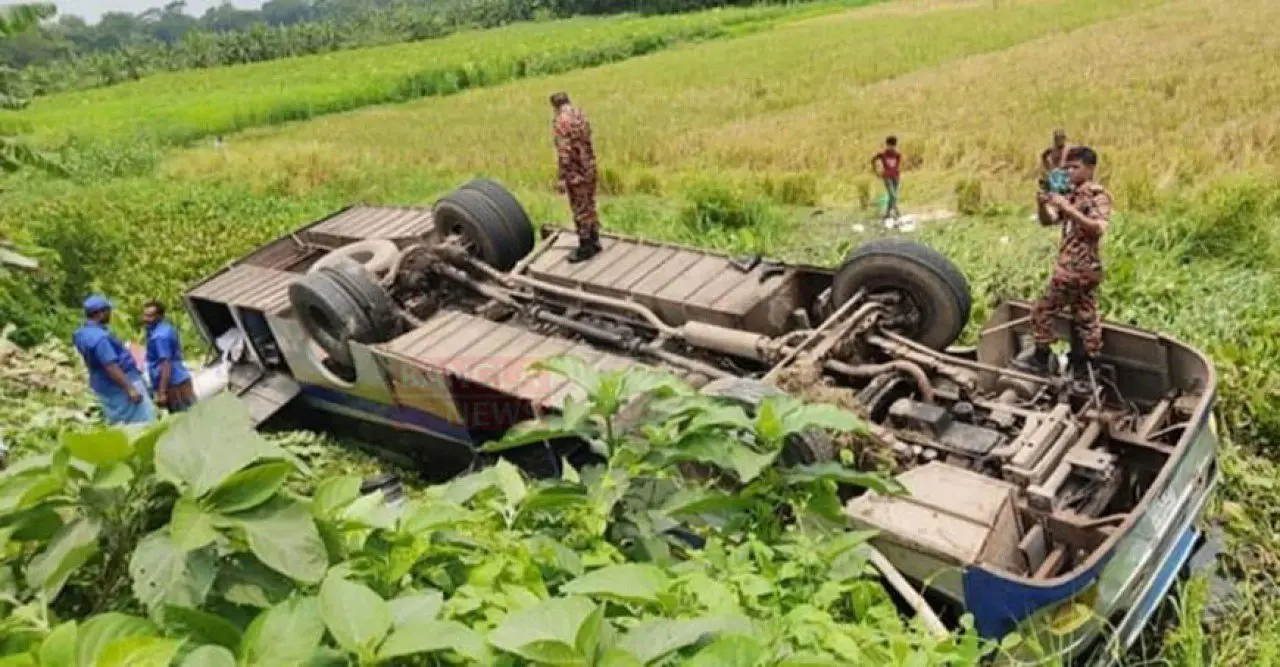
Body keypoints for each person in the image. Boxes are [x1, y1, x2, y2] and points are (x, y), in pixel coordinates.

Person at [1016, 146, 1113, 377]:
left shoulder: (1097, 196)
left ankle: (1041, 357)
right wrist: (1043, 204)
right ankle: (1089, 364)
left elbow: (1098, 228)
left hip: (1077, 268)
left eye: (1075, 167)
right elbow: (1048, 221)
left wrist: (1067, 208)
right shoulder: (1072, 194)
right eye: (1067, 167)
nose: (1069, 172)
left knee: (1042, 310)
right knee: (1085, 316)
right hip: (1078, 268)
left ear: (1090, 169)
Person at [72, 295, 155, 426]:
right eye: (108, 311)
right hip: (121, 385)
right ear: (99, 314)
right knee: (142, 423)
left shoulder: (82, 334)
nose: (110, 314)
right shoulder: (100, 339)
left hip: (103, 385)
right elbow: (110, 366)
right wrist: (130, 389)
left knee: (120, 423)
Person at [550, 92, 601, 262]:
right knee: (590, 203)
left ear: (555, 106)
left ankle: (585, 246)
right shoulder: (580, 114)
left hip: (576, 172)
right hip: (590, 167)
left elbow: (564, 153)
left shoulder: (561, 122)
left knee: (580, 208)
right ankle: (595, 239)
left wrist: (562, 177)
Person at [142, 300, 196, 413]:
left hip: (174, 384)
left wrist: (162, 392)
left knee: (183, 416)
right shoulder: (163, 329)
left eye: (150, 316)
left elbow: (166, 365)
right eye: (145, 315)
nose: (145, 319)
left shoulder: (160, 337)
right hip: (179, 378)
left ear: (160, 316)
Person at [871, 136, 903, 223]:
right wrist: (876, 170)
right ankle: (897, 212)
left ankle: (887, 214)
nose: (892, 148)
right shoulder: (883, 154)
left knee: (892, 196)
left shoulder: (897, 155)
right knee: (893, 195)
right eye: (890, 146)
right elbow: (873, 159)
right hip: (887, 177)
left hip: (896, 177)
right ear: (887, 145)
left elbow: (897, 166)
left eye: (893, 146)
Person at [1039, 129, 1071, 193]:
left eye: (1060, 138)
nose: (1058, 140)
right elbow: (1043, 156)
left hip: (1065, 173)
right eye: (1056, 138)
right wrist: (1047, 167)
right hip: (1054, 173)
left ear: (1064, 138)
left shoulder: (1069, 149)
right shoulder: (1052, 149)